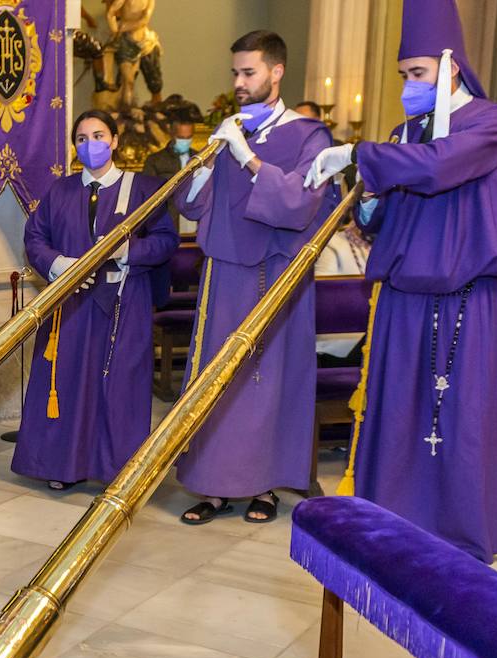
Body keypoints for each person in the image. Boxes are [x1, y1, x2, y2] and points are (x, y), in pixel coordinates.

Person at [309, 0, 497, 564]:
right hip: (402, 298)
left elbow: (437, 167)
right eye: (404, 75)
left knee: (458, 416)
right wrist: (372, 199)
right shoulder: (402, 133)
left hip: (463, 298)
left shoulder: (494, 121)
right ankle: (392, 519)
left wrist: (359, 153)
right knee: (399, 411)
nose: (408, 85)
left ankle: (459, 531)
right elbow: (381, 220)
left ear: (451, 66)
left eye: (419, 74)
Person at [173, 30, 332, 525]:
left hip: (274, 276)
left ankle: (264, 487)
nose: (239, 83)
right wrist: (198, 164)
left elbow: (300, 202)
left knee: (265, 382)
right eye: (235, 74)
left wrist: (247, 156)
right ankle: (211, 485)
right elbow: (194, 204)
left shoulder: (309, 136)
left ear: (276, 71)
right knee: (216, 379)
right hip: (223, 274)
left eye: (249, 73)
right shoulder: (234, 129)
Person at [13, 111, 177, 489]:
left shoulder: (144, 188)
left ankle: (117, 471)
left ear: (115, 140)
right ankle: (64, 467)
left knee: (120, 385)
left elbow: (166, 241)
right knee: (68, 382)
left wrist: (127, 249)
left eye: (99, 135)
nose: (90, 145)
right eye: (82, 138)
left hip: (124, 299)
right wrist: (57, 263)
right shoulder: (61, 190)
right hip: (71, 303)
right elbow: (35, 237)